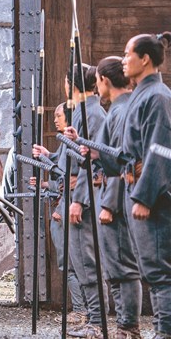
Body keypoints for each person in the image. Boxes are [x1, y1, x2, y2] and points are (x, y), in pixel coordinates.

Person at [120, 32, 171, 339]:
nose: (124, 60)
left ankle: (165, 331)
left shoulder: (158, 96)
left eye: (128, 54)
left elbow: (160, 148)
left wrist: (145, 197)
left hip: (153, 194)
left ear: (145, 59)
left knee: (159, 269)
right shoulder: (144, 94)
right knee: (151, 267)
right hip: (137, 186)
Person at [88, 57, 141, 338]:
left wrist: (109, 204)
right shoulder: (121, 110)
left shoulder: (121, 112)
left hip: (118, 197)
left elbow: (123, 163)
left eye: (98, 81)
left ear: (105, 80)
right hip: (116, 194)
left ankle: (127, 327)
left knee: (122, 266)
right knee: (116, 265)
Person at [61, 63, 109, 338]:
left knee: (87, 260)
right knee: (81, 260)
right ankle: (93, 317)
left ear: (72, 84)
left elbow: (89, 162)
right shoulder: (83, 112)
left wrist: (79, 198)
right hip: (80, 193)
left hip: (87, 197)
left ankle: (97, 320)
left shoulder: (92, 114)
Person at [31, 103, 87, 327]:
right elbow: (62, 173)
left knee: (70, 263)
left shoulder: (73, 140)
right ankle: (83, 309)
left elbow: (70, 181)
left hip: (66, 210)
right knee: (71, 263)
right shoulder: (65, 143)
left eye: (59, 115)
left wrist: (59, 208)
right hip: (63, 207)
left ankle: (82, 310)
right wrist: (48, 157)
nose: (55, 119)